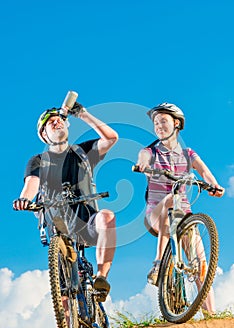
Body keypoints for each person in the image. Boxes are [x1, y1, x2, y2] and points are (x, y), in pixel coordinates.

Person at [13, 97, 118, 301]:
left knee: (107, 217)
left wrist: (83, 114)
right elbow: (31, 184)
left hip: (86, 221)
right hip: (59, 229)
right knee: (63, 299)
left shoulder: (82, 152)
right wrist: (24, 199)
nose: (56, 122)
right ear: (44, 135)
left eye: (58, 119)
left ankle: (101, 278)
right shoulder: (39, 160)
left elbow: (111, 138)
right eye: (49, 123)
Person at [136, 102, 224, 313]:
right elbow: (143, 158)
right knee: (169, 199)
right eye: (156, 123)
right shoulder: (150, 151)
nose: (159, 126)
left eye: (163, 121)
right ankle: (158, 263)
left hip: (184, 215)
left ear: (176, 123)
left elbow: (204, 171)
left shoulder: (188, 154)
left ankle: (210, 316)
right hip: (157, 212)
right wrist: (143, 166)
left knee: (201, 265)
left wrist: (213, 184)